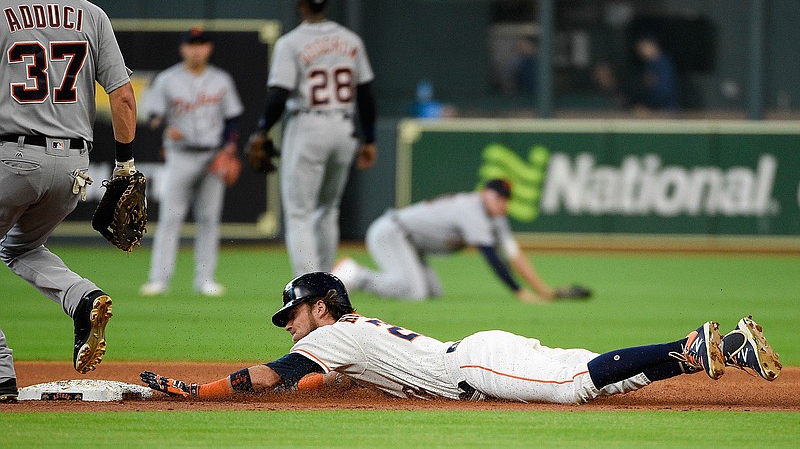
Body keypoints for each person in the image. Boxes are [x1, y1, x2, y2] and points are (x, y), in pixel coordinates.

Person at [140, 272, 782, 403]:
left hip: (473, 366)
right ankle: (724, 348)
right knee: (588, 373)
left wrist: (197, 391)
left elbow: (272, 376)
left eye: (295, 314)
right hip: (478, 352)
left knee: (575, 385)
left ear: (320, 307)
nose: (292, 325)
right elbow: (305, 378)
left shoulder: (335, 337)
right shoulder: (349, 340)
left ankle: (693, 347)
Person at [0, 0, 137, 403]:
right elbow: (123, 96)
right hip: (74, 167)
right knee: (21, 248)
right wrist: (125, 166)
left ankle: (1, 372)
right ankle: (83, 298)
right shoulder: (92, 13)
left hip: (13, 155)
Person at [247, 0, 378, 277]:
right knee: (328, 210)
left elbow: (278, 95)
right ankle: (328, 281)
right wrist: (369, 138)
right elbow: (366, 94)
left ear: (300, 5)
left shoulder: (291, 43)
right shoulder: (351, 40)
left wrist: (262, 129)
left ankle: (308, 287)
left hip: (308, 126)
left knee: (299, 214)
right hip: (344, 128)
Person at [332, 179, 566, 303]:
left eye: (506, 199)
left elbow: (514, 255)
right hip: (392, 233)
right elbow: (492, 257)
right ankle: (356, 275)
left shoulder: (496, 217)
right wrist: (519, 292)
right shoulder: (472, 209)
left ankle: (361, 277)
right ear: (485, 193)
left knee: (433, 293)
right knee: (415, 293)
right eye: (498, 197)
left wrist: (543, 290)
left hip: (413, 243)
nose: (502, 203)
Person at [139, 27, 244, 297]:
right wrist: (162, 127)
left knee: (209, 219)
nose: (197, 49)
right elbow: (153, 117)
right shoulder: (167, 79)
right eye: (191, 44)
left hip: (212, 155)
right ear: (182, 48)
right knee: (171, 218)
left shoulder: (221, 80)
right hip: (180, 154)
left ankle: (205, 279)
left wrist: (229, 149)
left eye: (202, 44)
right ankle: (159, 280)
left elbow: (232, 119)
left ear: (209, 48)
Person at [633, 36, 678, 111]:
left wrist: (649, 106)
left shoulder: (664, 64)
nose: (641, 52)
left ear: (653, 46)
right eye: (639, 49)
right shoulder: (648, 65)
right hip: (654, 109)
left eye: (644, 48)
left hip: (667, 109)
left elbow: (665, 91)